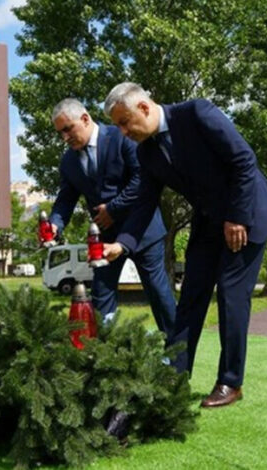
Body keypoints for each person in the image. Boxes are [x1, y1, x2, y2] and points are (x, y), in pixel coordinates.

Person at [102, 83, 267, 408]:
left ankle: (231, 382)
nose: (123, 131)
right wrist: (123, 244)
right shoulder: (147, 152)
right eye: (118, 125)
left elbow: (244, 160)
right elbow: (145, 202)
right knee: (190, 298)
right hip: (209, 223)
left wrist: (237, 217)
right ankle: (173, 377)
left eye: (125, 122)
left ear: (144, 107)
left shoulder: (197, 113)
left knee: (231, 294)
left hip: (247, 214)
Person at [46, 98, 176, 337]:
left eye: (68, 129)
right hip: (104, 240)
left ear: (85, 119)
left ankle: (177, 354)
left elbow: (142, 180)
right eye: (60, 133)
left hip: (143, 232)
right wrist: (55, 223)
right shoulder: (68, 161)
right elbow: (65, 199)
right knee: (100, 296)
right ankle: (103, 353)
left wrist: (113, 209)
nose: (65, 137)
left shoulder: (121, 137)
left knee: (158, 293)